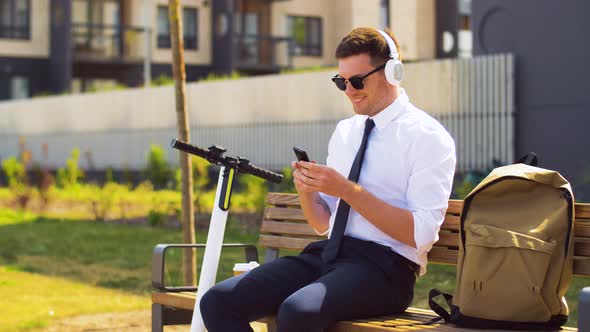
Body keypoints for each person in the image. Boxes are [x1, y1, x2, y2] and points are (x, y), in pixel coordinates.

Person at [200, 27, 456, 332]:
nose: (349, 91)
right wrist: (308, 190)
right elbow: (323, 225)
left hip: (386, 270)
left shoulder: (427, 137)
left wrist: (347, 190)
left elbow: (421, 235)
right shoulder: (346, 132)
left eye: (357, 81)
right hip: (329, 256)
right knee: (217, 301)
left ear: (392, 72)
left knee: (298, 311)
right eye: (341, 82)